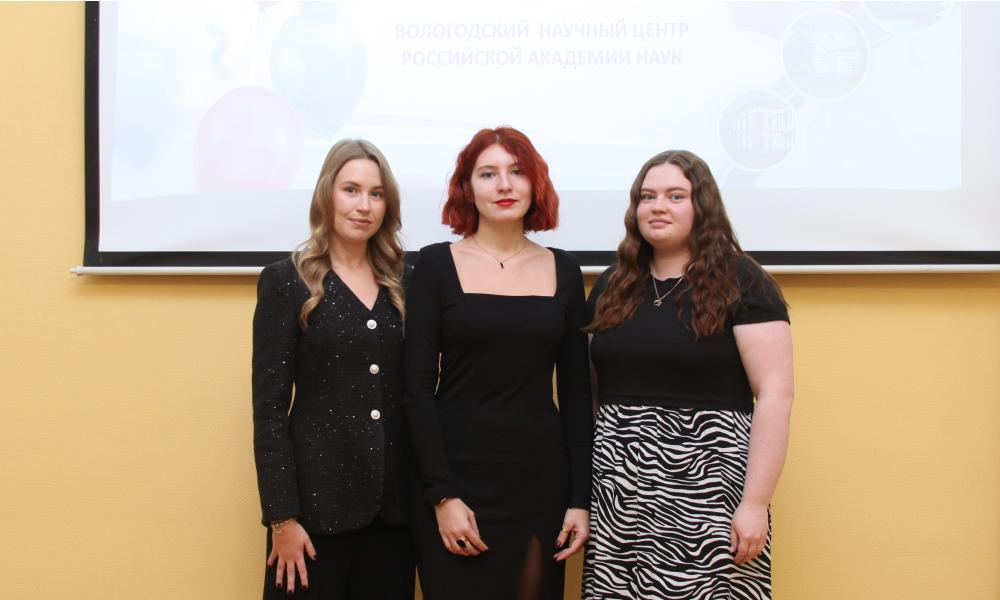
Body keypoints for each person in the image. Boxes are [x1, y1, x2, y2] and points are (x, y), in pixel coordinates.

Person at [582, 150, 793, 599]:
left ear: (703, 206)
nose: (658, 206)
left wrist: (755, 503)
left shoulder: (744, 280)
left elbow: (776, 394)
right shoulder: (612, 284)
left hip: (709, 493)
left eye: (675, 196)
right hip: (620, 492)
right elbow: (592, 393)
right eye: (647, 196)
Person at [403, 126, 593, 600]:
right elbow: (416, 389)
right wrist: (442, 495)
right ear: (467, 188)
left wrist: (580, 499)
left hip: (539, 483)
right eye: (488, 174)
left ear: (535, 183)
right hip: (455, 481)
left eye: (517, 172)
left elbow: (575, 393)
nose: (504, 185)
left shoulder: (565, 270)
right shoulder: (434, 265)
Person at [252, 139, 413, 599]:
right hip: (313, 515)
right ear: (327, 194)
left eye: (376, 194)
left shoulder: (406, 280)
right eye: (351, 190)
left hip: (393, 514)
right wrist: (282, 518)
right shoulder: (286, 281)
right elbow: (269, 412)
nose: (364, 206)